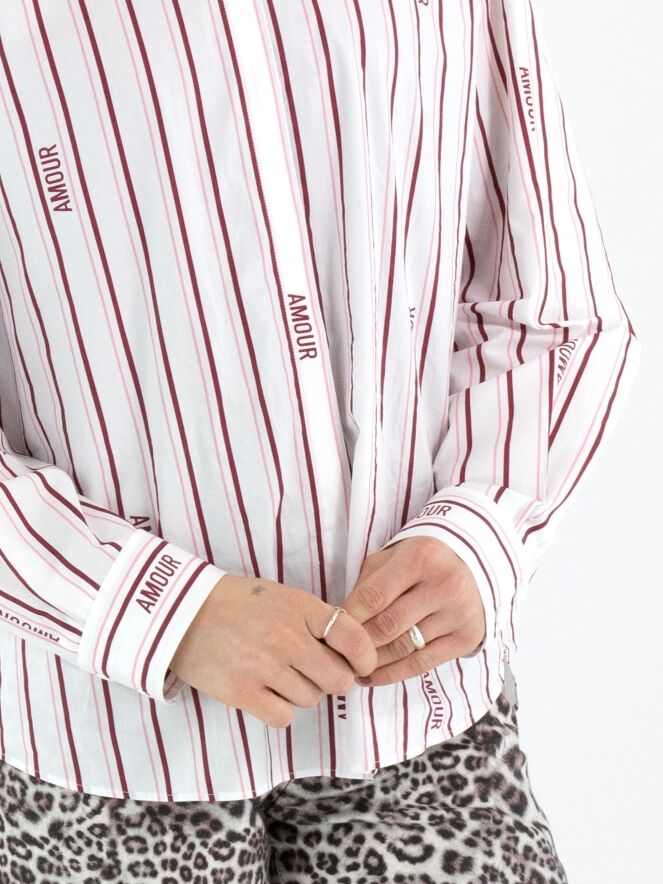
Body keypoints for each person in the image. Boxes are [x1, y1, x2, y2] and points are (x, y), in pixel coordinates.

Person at [0, 0, 640, 881]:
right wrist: (154, 609)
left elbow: (550, 301)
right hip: (99, 750)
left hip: (422, 728)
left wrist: (480, 530)